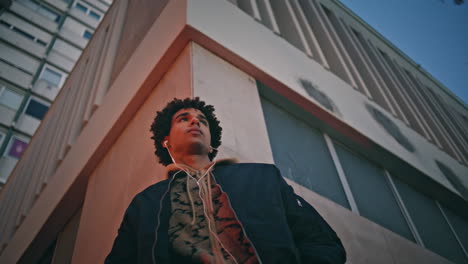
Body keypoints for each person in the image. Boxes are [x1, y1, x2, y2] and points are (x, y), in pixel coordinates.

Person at [105, 97, 346, 264]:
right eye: (183, 118)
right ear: (166, 141)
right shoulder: (145, 203)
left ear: (211, 143)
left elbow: (321, 241)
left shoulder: (262, 177)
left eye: (202, 120)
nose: (195, 121)